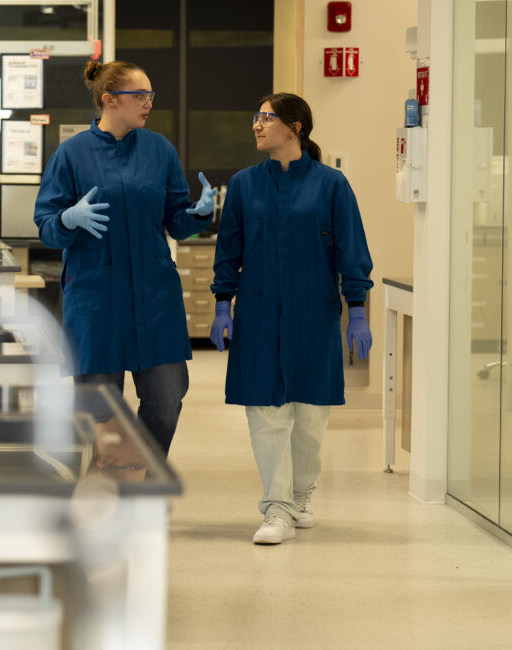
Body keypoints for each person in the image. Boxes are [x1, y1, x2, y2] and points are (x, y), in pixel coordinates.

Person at [209, 92, 374, 545]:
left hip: (313, 314)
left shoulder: (331, 185)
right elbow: (229, 251)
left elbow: (352, 252)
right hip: (259, 314)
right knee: (265, 412)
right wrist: (223, 304)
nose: (257, 126)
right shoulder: (245, 184)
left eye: (267, 118)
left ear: (295, 127)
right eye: (256, 117)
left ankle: (301, 495)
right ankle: (276, 509)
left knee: (309, 415)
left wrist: (356, 312)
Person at [33, 60, 217, 457]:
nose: (149, 103)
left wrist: (198, 215)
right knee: (101, 412)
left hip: (154, 299)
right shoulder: (71, 155)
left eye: (151, 95)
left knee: (167, 401)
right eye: (140, 95)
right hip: (97, 300)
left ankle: (142, 482)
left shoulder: (159, 150)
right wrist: (67, 218)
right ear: (110, 100)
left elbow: (176, 221)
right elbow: (46, 225)